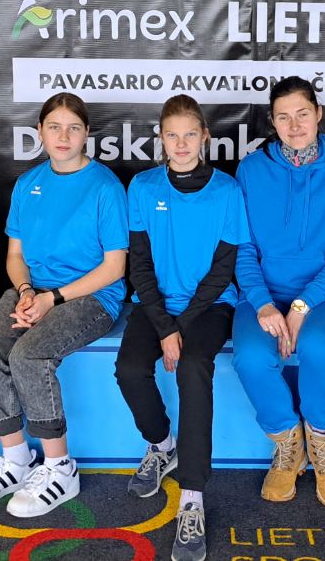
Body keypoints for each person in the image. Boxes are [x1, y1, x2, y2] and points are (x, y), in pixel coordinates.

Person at [0, 93, 128, 518]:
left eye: (73, 128)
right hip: (33, 291)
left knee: (30, 354)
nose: (63, 136)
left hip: (91, 297)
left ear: (87, 134)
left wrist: (51, 299)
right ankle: (16, 459)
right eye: (54, 127)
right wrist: (24, 292)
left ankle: (59, 467)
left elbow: (114, 267)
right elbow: (16, 255)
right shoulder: (28, 183)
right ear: (39, 132)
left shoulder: (105, 187)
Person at [114, 95, 251, 561]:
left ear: (205, 137)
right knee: (130, 369)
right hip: (155, 305)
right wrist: (163, 324)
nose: (181, 143)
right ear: (161, 138)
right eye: (172, 135)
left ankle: (192, 497)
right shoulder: (142, 187)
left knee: (193, 367)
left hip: (209, 307)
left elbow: (223, 268)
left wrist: (181, 326)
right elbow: (139, 264)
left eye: (190, 134)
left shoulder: (227, 190)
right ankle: (162, 445)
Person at [233, 76, 325, 509]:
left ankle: (322, 441)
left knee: (320, 346)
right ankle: (288, 441)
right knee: (251, 356)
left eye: (303, 114)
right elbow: (242, 248)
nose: (294, 125)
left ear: (319, 114)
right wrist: (263, 303)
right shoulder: (251, 170)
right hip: (263, 293)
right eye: (283, 117)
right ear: (272, 122)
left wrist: (303, 306)